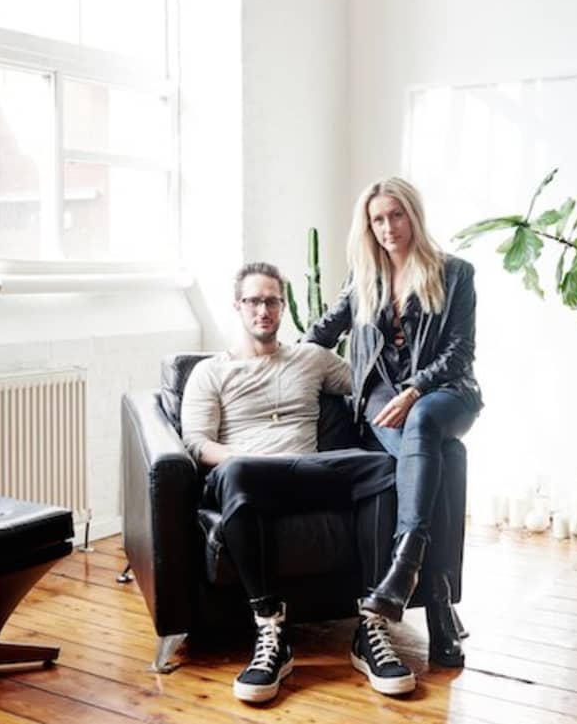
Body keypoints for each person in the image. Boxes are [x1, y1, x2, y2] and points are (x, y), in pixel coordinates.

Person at [181, 261, 417, 704]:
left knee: (382, 466)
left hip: (309, 472)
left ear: (283, 306)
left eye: (272, 301)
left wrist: (418, 387)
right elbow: (196, 442)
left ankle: (370, 625)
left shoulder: (311, 358)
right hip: (250, 477)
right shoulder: (211, 372)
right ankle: (271, 631)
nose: (263, 310)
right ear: (238, 306)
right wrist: (239, 457)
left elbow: (369, 383)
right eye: (254, 301)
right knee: (233, 472)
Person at [305, 177, 483, 668]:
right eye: (377, 219)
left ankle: (403, 570)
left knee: (425, 420)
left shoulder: (456, 273)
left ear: (413, 215)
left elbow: (460, 352)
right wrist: (263, 365)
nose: (388, 227)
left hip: (445, 394)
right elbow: (320, 333)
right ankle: (440, 606)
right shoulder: (364, 281)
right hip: (383, 403)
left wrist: (415, 389)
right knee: (440, 460)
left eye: (396, 215)